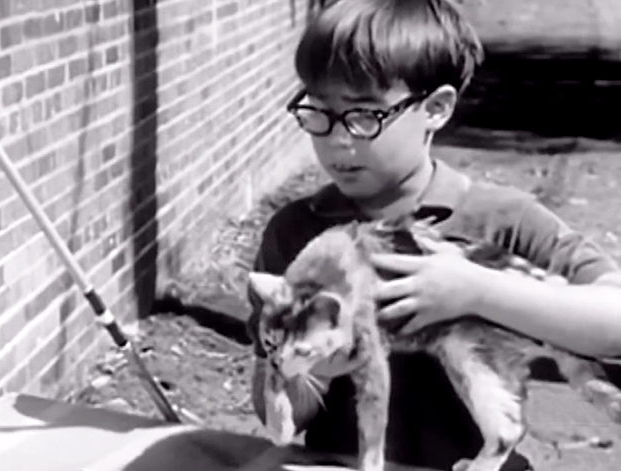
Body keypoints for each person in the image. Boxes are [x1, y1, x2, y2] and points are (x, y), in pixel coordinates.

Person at [245, 1, 621, 470]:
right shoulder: (298, 233)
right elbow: (277, 415)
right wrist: (317, 371)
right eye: (319, 111)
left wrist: (477, 291)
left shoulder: (502, 220)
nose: (338, 140)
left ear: (437, 108)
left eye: (365, 114)